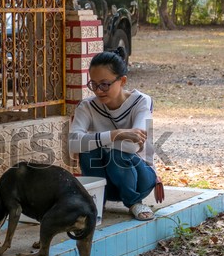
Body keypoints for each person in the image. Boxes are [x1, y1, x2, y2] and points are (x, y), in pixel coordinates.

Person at [68, 48, 164, 221]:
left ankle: (135, 202)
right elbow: (73, 143)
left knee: (117, 153)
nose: (98, 90)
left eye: (105, 84)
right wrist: (115, 134)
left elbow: (132, 145)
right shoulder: (86, 106)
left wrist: (95, 139)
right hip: (107, 184)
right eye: (94, 84)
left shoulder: (142, 101)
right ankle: (96, 203)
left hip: (139, 179)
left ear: (123, 81)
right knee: (88, 151)